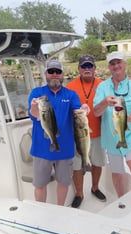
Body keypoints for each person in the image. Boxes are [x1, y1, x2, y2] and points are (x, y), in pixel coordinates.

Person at [93, 51, 131, 205]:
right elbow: (96, 112)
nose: (116, 66)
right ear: (109, 67)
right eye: (112, 63)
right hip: (111, 137)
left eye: (119, 62)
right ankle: (121, 198)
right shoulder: (102, 87)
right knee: (117, 170)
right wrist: (105, 102)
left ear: (125, 64)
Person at [28, 59, 88, 206]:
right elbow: (33, 115)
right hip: (41, 149)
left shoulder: (71, 94)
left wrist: (84, 110)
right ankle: (41, 209)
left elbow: (77, 111)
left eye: (58, 71)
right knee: (40, 184)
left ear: (62, 75)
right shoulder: (37, 93)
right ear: (45, 74)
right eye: (51, 71)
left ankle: (60, 208)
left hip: (66, 148)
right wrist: (35, 107)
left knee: (63, 182)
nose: (54, 75)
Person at [67, 55, 107, 208]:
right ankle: (79, 193)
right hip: (77, 134)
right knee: (77, 165)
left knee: (98, 163)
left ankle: (95, 187)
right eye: (84, 66)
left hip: (98, 133)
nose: (87, 69)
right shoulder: (70, 87)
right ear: (79, 69)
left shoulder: (103, 85)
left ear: (95, 68)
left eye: (90, 66)